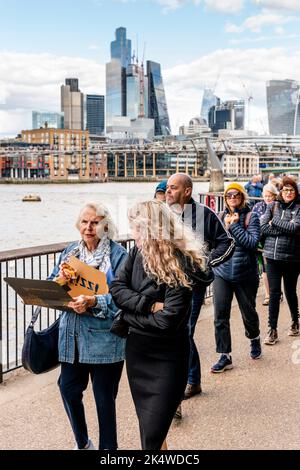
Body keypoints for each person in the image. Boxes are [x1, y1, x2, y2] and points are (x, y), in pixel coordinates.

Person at [110, 200, 210, 450]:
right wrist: (149, 305)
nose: (132, 235)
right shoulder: (136, 253)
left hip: (168, 357)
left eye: (135, 228)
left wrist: (126, 316)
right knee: (148, 427)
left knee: (154, 431)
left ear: (149, 228)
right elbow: (116, 289)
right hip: (138, 353)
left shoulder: (182, 263)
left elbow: (167, 321)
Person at [48, 202, 127, 450]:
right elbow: (53, 284)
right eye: (85, 222)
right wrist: (60, 281)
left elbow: (125, 299)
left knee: (104, 401)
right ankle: (83, 443)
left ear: (105, 226)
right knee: (68, 388)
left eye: (95, 222)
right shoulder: (70, 252)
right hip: (72, 339)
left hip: (105, 340)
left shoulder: (118, 255)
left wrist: (93, 301)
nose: (89, 227)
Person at [165, 173, 235, 398]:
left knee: (185, 331)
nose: (168, 191)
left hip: (193, 286)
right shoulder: (164, 215)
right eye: (167, 187)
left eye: (173, 188)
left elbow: (227, 242)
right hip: (167, 283)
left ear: (187, 191)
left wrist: (205, 263)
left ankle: (190, 381)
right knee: (173, 331)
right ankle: (183, 379)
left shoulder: (205, 214)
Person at [211, 183, 261, 372]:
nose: (232, 197)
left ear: (242, 197)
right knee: (220, 316)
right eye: (229, 195)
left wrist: (234, 227)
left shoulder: (251, 216)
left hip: (245, 273)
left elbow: (251, 242)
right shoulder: (220, 217)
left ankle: (254, 338)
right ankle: (224, 355)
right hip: (222, 273)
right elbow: (212, 243)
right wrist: (212, 261)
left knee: (248, 313)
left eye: (236, 194)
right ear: (225, 199)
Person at [261, 177, 300, 345]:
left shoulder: (299, 208)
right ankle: (272, 329)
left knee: (290, 291)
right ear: (281, 192)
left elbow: (295, 227)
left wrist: (275, 222)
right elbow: (263, 227)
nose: (288, 193)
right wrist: (283, 229)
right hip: (272, 257)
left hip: (293, 258)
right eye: (285, 190)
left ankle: (295, 321)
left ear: (296, 192)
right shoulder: (272, 206)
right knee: (274, 294)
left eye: (291, 190)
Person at [252, 183, 279, 306]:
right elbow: (254, 223)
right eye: (266, 196)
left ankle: (277, 292)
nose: (267, 198)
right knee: (264, 269)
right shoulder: (257, 206)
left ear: (274, 196)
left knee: (274, 270)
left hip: (274, 242)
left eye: (270, 196)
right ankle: (268, 295)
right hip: (260, 241)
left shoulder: (278, 207)